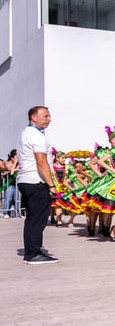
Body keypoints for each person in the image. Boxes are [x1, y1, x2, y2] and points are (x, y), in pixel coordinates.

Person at [16, 106, 59, 264]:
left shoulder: (26, 133)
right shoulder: (36, 136)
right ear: (34, 117)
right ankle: (33, 254)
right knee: (38, 219)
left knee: (32, 219)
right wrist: (51, 184)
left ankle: (32, 250)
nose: (49, 119)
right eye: (46, 116)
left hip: (26, 180)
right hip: (36, 181)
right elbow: (41, 161)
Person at [3, 150, 20, 218]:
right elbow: (11, 173)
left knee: (17, 199)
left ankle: (16, 212)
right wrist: (15, 164)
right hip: (9, 184)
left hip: (17, 184)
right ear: (12, 157)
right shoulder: (8, 163)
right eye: (16, 157)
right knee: (8, 198)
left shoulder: (20, 164)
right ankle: (6, 212)